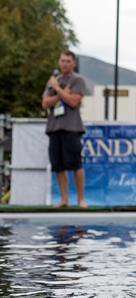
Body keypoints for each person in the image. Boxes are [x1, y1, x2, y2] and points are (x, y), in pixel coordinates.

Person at [41, 50, 87, 208]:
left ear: (73, 63)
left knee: (75, 164)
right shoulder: (53, 80)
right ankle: (64, 199)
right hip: (54, 127)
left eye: (68, 61)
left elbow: (73, 101)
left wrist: (58, 90)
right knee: (58, 166)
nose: (65, 63)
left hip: (71, 128)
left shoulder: (77, 80)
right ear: (58, 62)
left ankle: (81, 199)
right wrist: (61, 93)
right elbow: (45, 103)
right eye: (62, 60)